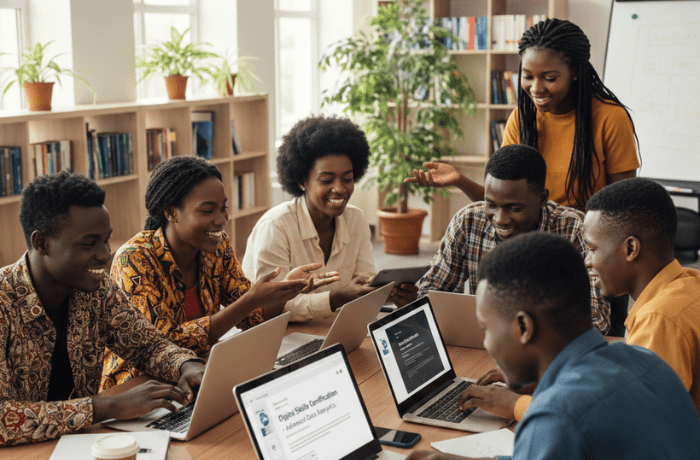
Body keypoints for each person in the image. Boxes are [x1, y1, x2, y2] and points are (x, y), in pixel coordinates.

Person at [407, 233, 700, 460]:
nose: (486, 343)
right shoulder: (645, 360)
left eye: (486, 328)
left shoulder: (556, 417)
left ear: (523, 327)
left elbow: (561, 432)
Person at [0, 172, 205, 447]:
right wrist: (105, 407)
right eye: (89, 243)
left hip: (80, 445)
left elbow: (148, 346)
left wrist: (186, 365)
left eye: (106, 240)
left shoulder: (97, 289)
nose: (106, 253)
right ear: (41, 243)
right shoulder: (3, 302)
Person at [101, 156, 337, 389]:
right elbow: (163, 345)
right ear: (171, 213)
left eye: (223, 208)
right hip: (140, 387)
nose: (221, 219)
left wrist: (283, 291)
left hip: (200, 373)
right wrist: (250, 300)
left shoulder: (217, 247)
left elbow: (251, 317)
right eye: (207, 210)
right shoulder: (134, 259)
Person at [405, 18, 639, 211]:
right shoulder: (521, 119)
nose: (536, 88)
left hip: (585, 245)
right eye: (527, 76)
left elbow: (623, 209)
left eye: (550, 78)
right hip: (526, 240)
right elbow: (502, 206)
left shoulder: (610, 118)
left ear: (575, 73)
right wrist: (458, 179)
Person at [416, 144, 609, 334]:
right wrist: (415, 299)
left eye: (514, 208)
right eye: (490, 204)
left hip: (549, 352)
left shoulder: (574, 229)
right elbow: (433, 290)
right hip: (483, 344)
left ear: (542, 199)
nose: (500, 219)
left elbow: (597, 320)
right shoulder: (467, 220)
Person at [242, 115, 417, 322]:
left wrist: (390, 294)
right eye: (326, 180)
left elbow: (363, 283)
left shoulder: (356, 220)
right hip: (278, 336)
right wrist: (334, 299)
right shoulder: (275, 227)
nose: (340, 189)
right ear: (302, 181)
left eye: (348, 179)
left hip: (331, 328)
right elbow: (268, 307)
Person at [584, 177, 700, 415]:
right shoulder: (690, 281)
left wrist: (519, 405)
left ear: (630, 249)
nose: (587, 261)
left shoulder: (659, 318)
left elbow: (633, 424)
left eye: (593, 249)